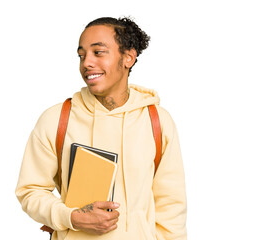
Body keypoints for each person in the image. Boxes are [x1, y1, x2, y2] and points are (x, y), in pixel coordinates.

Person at [16, 17, 187, 240]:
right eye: (81, 55)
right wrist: (70, 217)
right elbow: (31, 191)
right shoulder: (56, 119)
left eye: (98, 52)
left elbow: (171, 207)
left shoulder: (157, 121)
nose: (86, 62)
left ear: (128, 57)